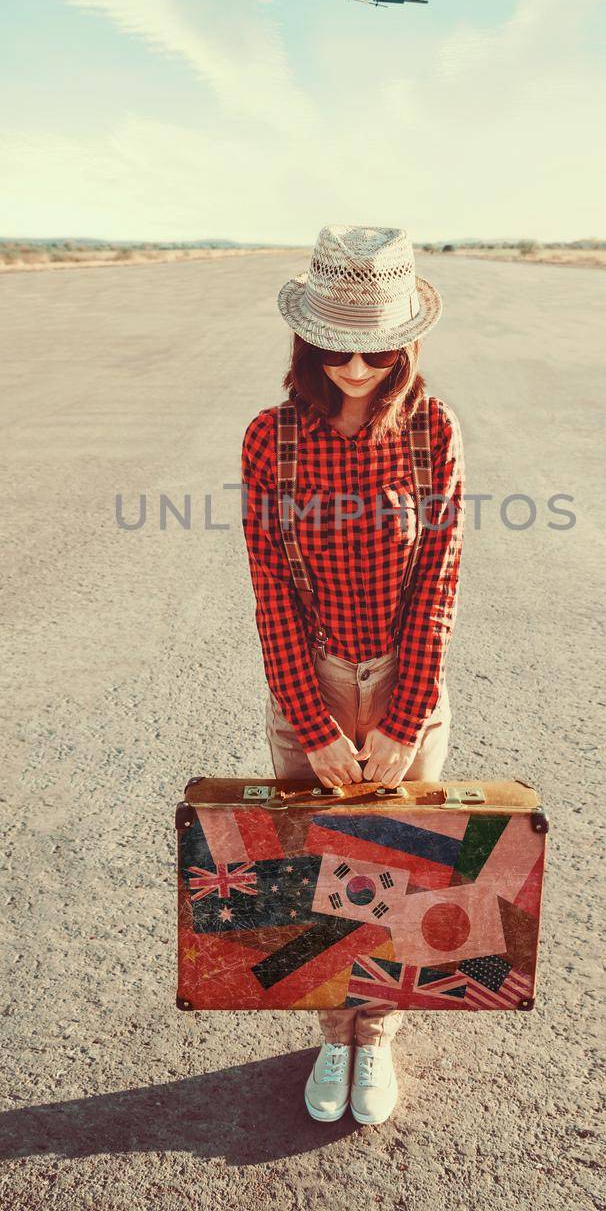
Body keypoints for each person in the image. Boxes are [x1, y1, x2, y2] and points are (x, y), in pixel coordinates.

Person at [239, 224, 466, 1127]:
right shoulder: (272, 440)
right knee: (316, 871)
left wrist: (406, 719)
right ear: (308, 339)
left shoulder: (432, 430)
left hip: (408, 683)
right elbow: (268, 592)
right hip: (313, 685)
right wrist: (317, 723)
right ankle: (332, 1034)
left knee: (396, 875)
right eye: (338, 346)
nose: (359, 366)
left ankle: (377, 1037)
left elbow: (440, 580)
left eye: (377, 347)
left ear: (406, 340)